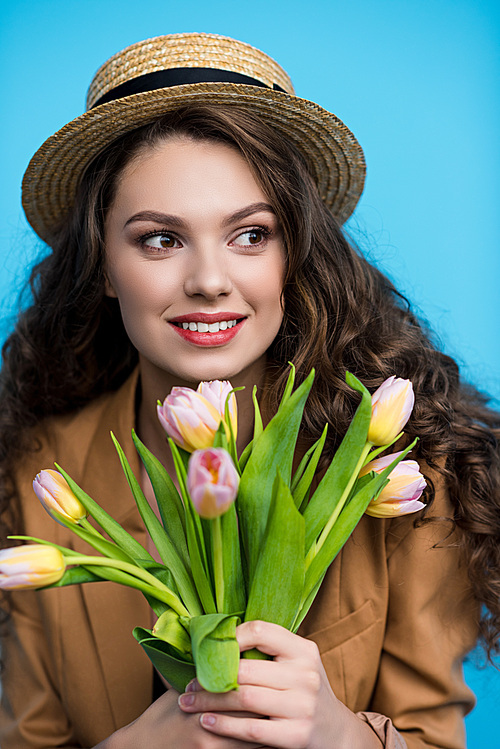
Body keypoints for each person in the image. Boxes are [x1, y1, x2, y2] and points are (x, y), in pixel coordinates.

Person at [0, 32, 499, 749]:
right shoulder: (43, 471)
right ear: (104, 265)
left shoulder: (406, 466)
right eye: (160, 240)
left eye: (250, 234)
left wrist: (339, 734)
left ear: (293, 254)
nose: (208, 280)